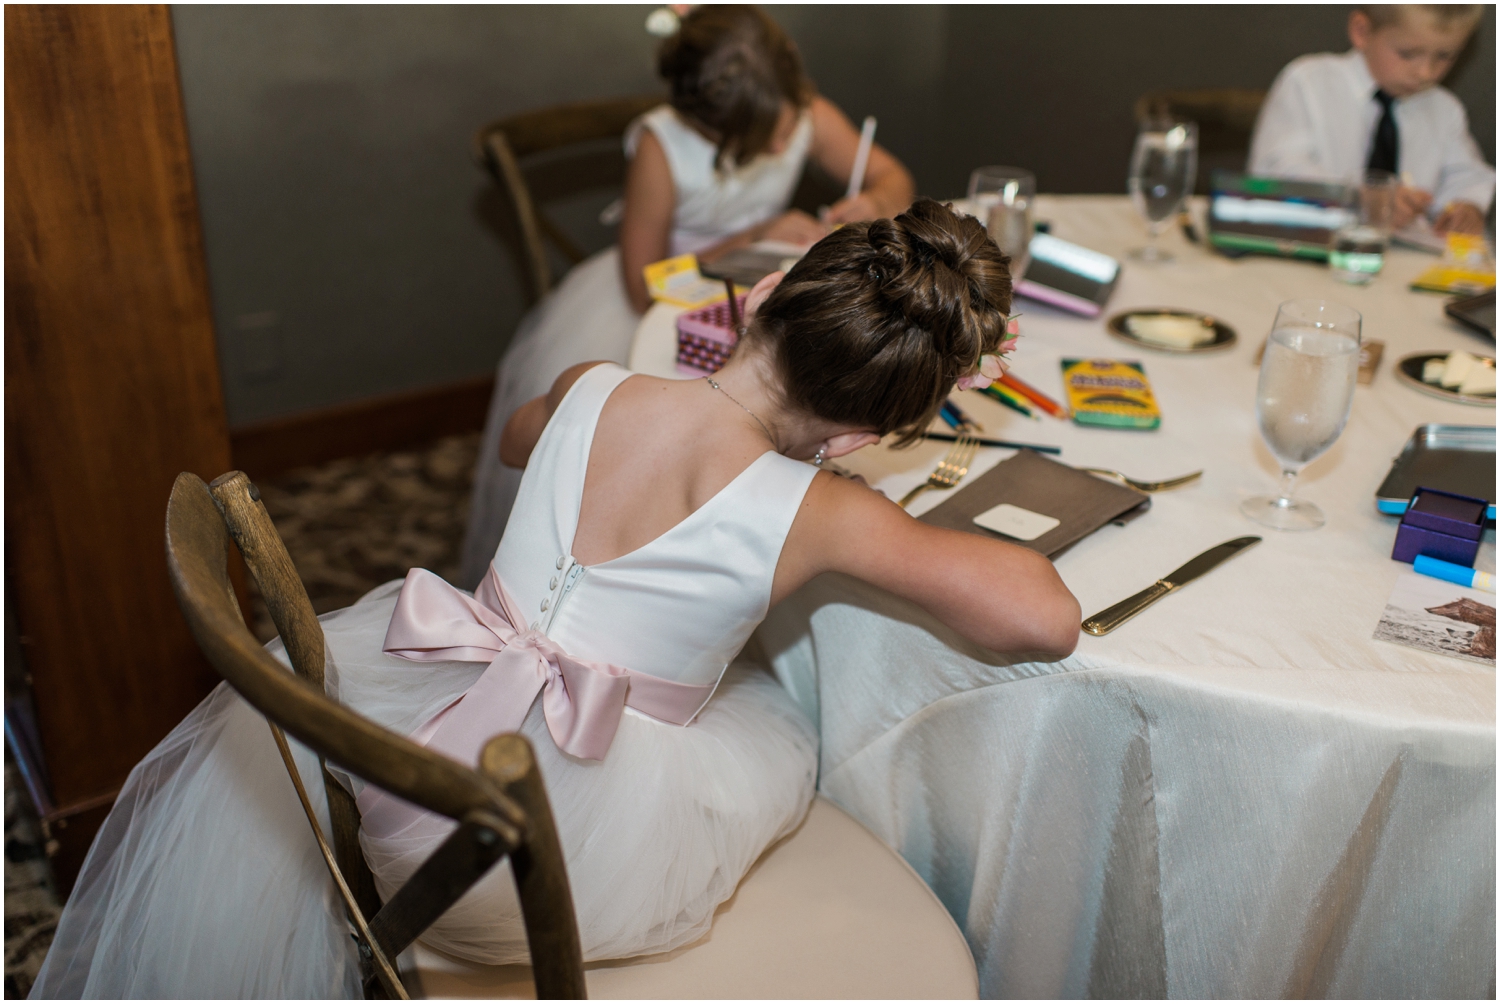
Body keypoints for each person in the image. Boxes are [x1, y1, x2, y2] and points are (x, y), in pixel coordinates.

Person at [31, 200, 1079, 998]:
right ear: (859, 437)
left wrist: (645, 408)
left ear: (756, 301)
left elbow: (518, 437)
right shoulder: (822, 508)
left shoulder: (589, 382)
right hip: (552, 863)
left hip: (403, 758)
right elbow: (1042, 615)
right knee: (782, 723)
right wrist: (847, 488)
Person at [460, 4, 916, 588]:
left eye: (788, 124)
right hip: (674, 295)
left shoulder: (809, 111)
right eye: (767, 137)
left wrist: (872, 203)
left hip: (771, 297)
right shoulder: (662, 144)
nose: (786, 142)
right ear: (709, 128)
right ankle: (633, 566)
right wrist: (750, 236)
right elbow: (643, 280)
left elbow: (893, 177)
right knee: (676, 448)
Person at [1247, 3, 1493, 234]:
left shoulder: (1444, 109)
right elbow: (1276, 170)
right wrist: (1357, 197)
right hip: (1305, 246)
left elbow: (1466, 174)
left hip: (1398, 261)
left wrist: (1466, 205)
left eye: (1444, 56)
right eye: (1408, 54)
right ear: (1361, 31)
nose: (1425, 72)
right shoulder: (1308, 83)